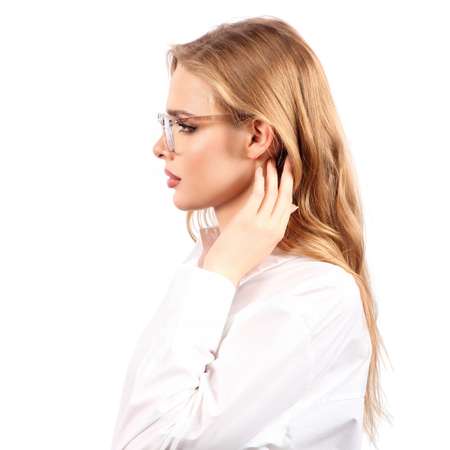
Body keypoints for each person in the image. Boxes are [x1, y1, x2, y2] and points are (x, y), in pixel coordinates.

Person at [110, 15, 390, 450]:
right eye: (167, 124)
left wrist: (220, 271)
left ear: (257, 136)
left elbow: (148, 443)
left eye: (185, 125)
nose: (161, 147)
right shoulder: (216, 261)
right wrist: (220, 268)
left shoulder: (314, 294)